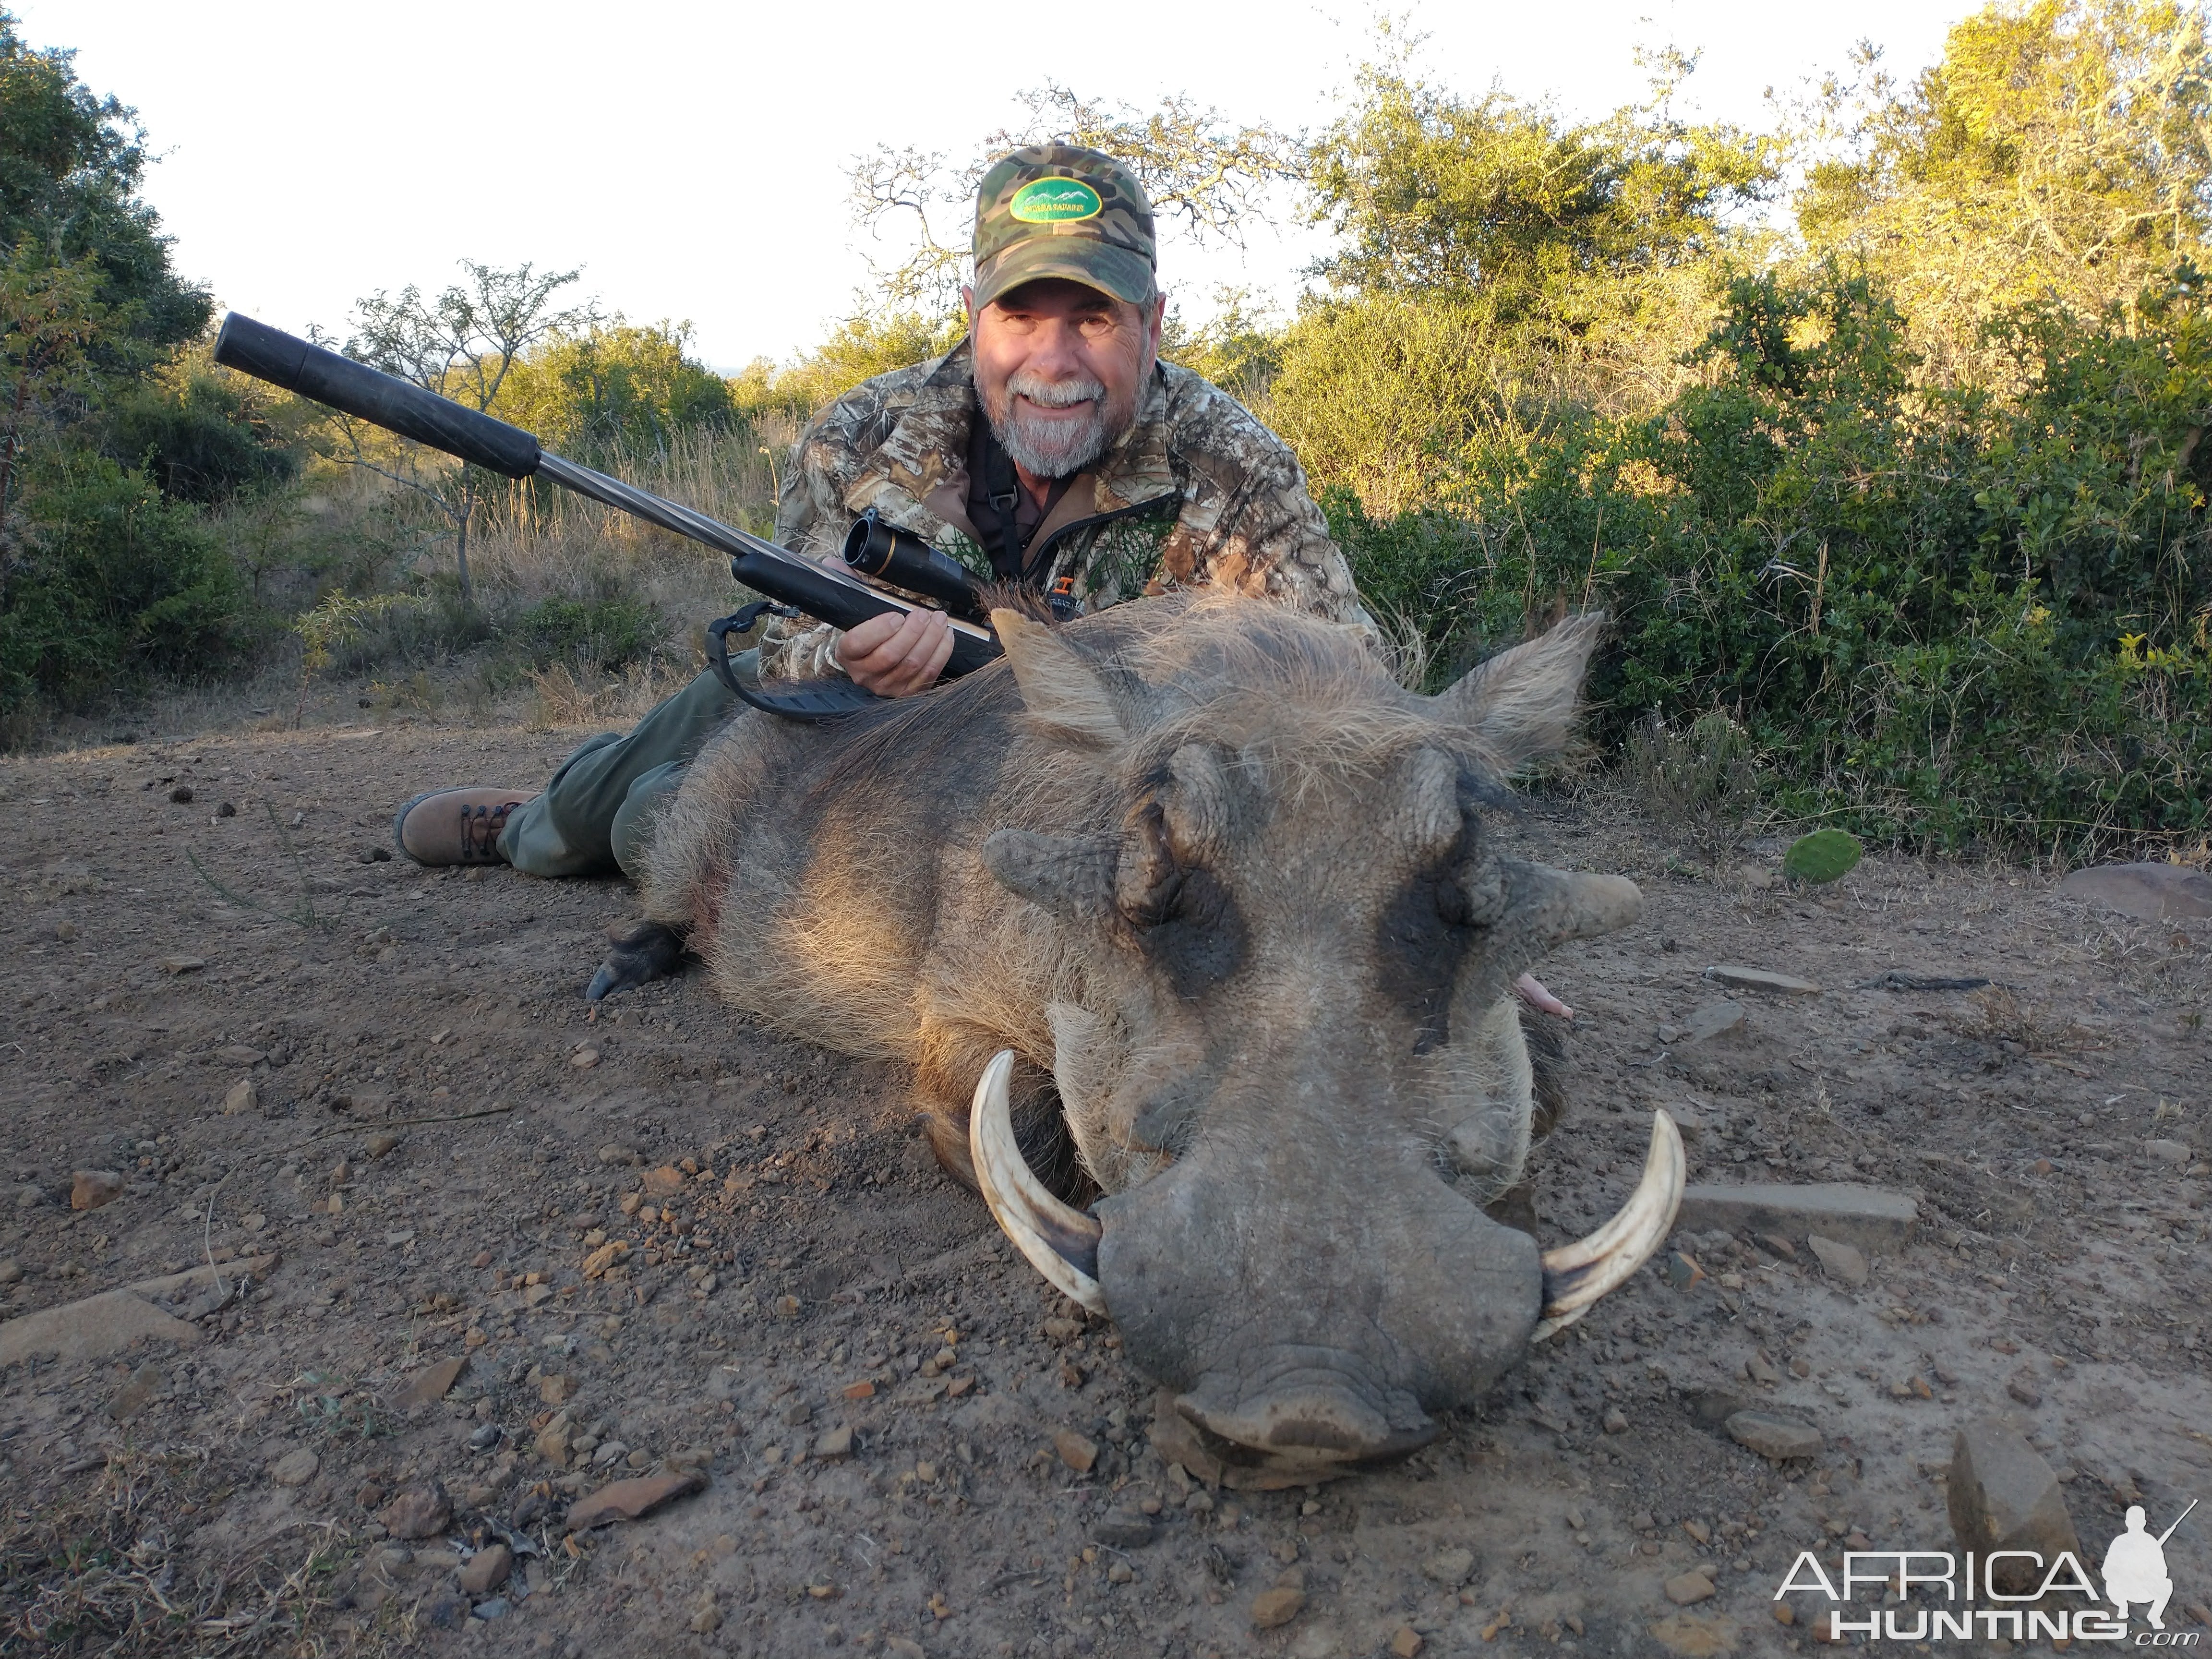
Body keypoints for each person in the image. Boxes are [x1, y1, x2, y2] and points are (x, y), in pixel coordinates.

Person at [392, 143, 1575, 1019]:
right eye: (1024, 313)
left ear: (1154, 324)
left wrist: (1421, 884)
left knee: (672, 818)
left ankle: (618, 815)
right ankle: (532, 821)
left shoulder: (1233, 458)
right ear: (973, 317)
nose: (1056, 358)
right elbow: (775, 640)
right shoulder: (865, 430)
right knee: (636, 797)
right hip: (845, 722)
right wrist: (853, 654)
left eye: (1095, 317)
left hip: (1051, 773)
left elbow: (1344, 692)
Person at [2102, 1505, 2175, 1629]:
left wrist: (2147, 1572)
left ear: (2144, 1523)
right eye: (2133, 1521)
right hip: (2122, 1590)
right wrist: (2124, 1572)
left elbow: (2163, 1571)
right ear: (2127, 1523)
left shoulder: (2151, 1543)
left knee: (2167, 1585)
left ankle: (2155, 1616)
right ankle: (2122, 1607)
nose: (2136, 1524)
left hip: (2143, 1589)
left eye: (2138, 1521)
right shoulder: (2120, 1542)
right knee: (2110, 1584)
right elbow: (2107, 1571)